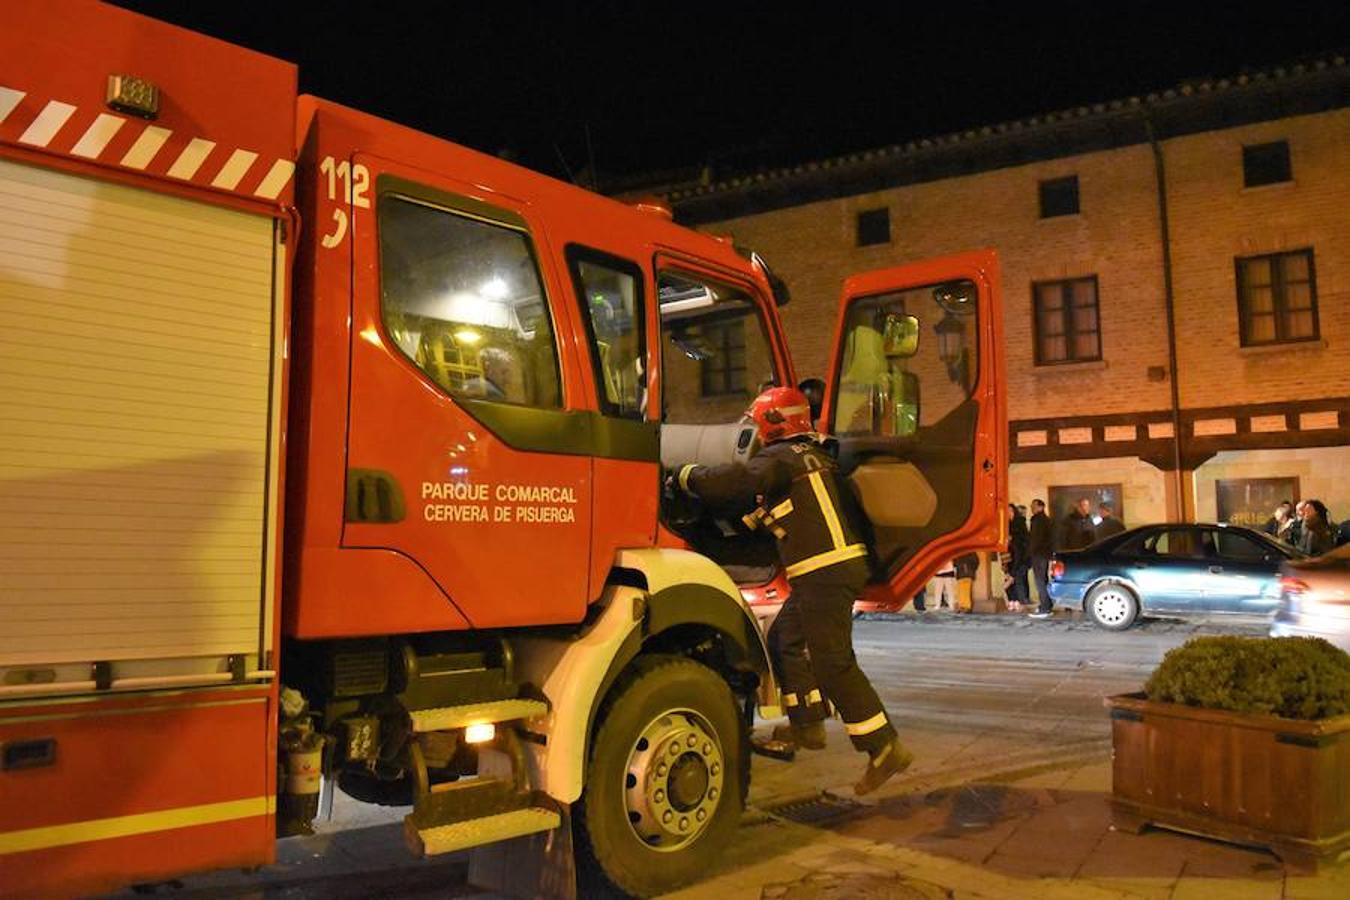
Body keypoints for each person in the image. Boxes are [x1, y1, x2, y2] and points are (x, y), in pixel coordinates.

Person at [670, 386, 911, 795]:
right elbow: (772, 512)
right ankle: (807, 724)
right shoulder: (814, 457)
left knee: (833, 662)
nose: (757, 433)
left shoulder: (780, 457)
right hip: (830, 569)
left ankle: (883, 746)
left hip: (824, 571)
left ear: (774, 422)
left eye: (758, 424)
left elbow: (737, 481)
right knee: (783, 638)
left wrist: (686, 475)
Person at [1027, 498, 1054, 618]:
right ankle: (1047, 604)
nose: (1032, 508)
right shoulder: (1043, 520)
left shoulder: (1039, 521)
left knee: (1040, 581)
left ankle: (1045, 608)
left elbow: (1035, 540)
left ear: (1041, 507)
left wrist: (1030, 553)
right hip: (1043, 554)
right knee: (1043, 580)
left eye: (1034, 506)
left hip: (1039, 555)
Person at [1005, 504, 1030, 612]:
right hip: (1009, 555)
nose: (1009, 513)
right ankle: (1013, 601)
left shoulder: (1020, 523)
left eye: (1010, 511)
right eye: (1007, 511)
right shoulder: (1005, 524)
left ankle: (1021, 602)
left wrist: (1013, 538)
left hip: (1021, 555)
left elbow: (1024, 540)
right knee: (1009, 578)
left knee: (1018, 579)